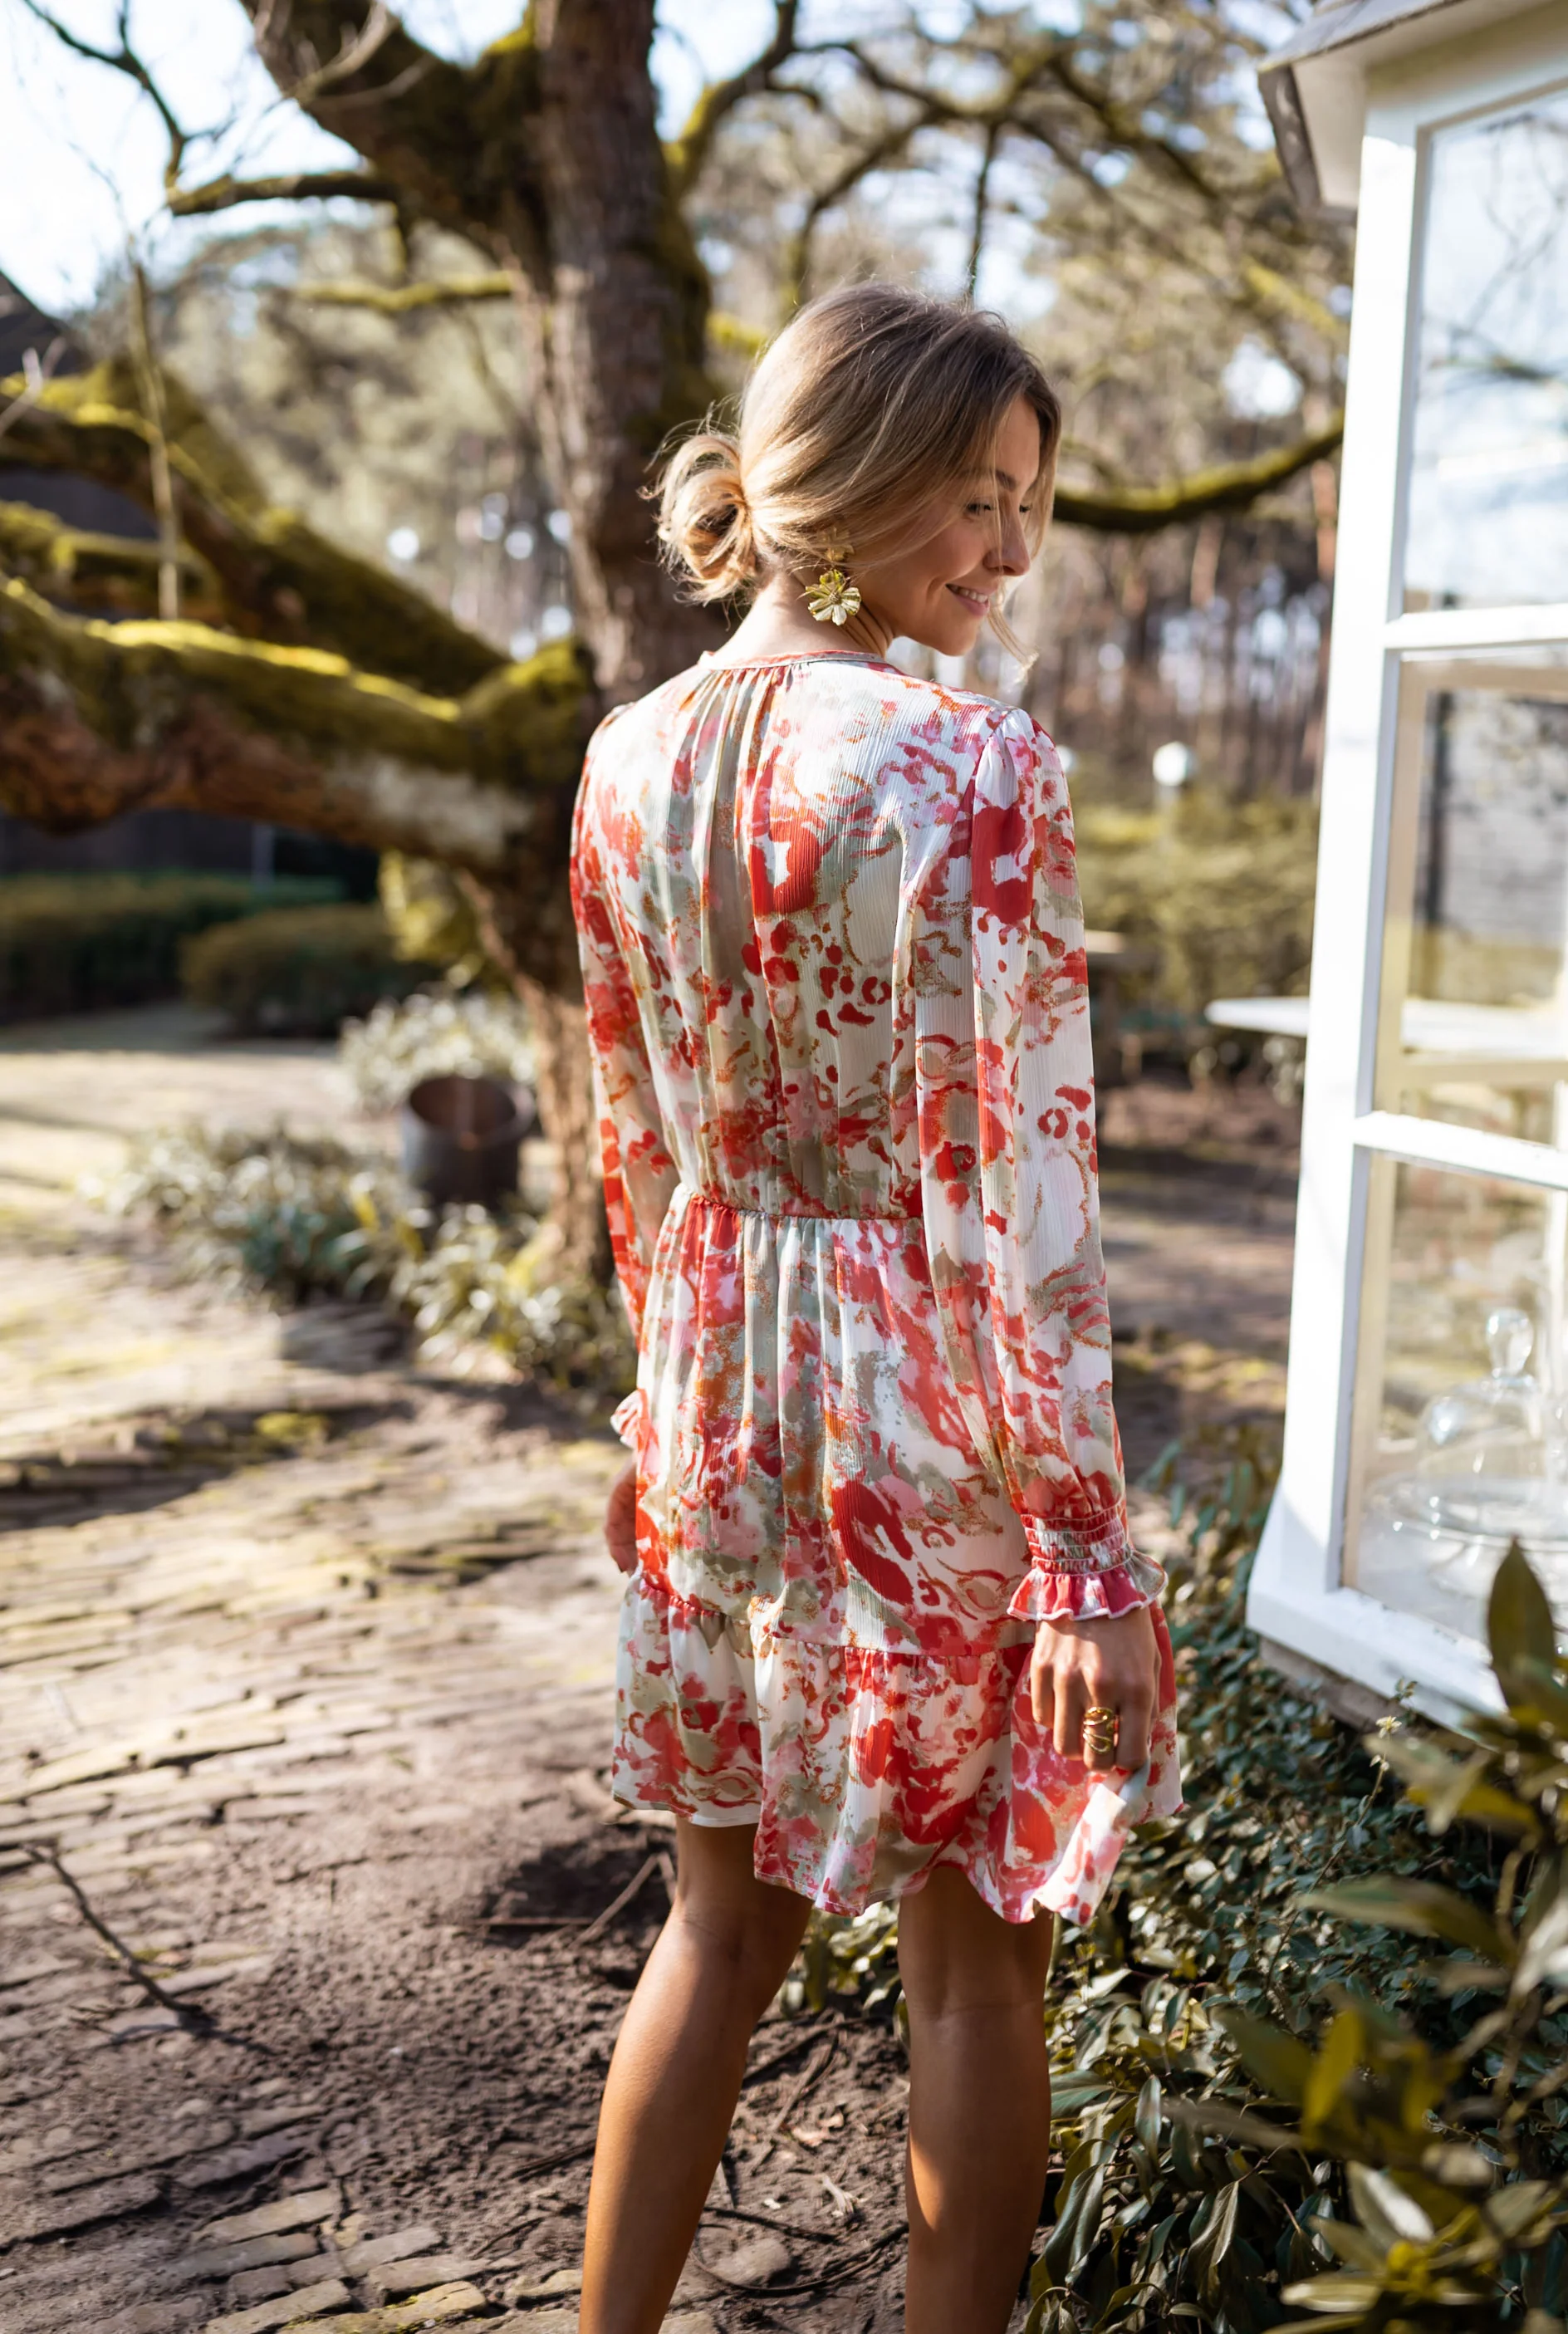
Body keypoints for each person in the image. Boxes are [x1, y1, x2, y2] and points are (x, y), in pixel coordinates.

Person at [568, 282, 1181, 2334]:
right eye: (986, 503)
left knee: (711, 1923)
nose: (1010, 556)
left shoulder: (621, 759)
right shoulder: (969, 763)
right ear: (871, 480)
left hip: (715, 1391)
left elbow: (632, 1138)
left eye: (1025, 509)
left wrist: (644, 1420)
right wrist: (1089, 1552)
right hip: (921, 1407)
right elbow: (1018, 1197)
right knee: (976, 1941)